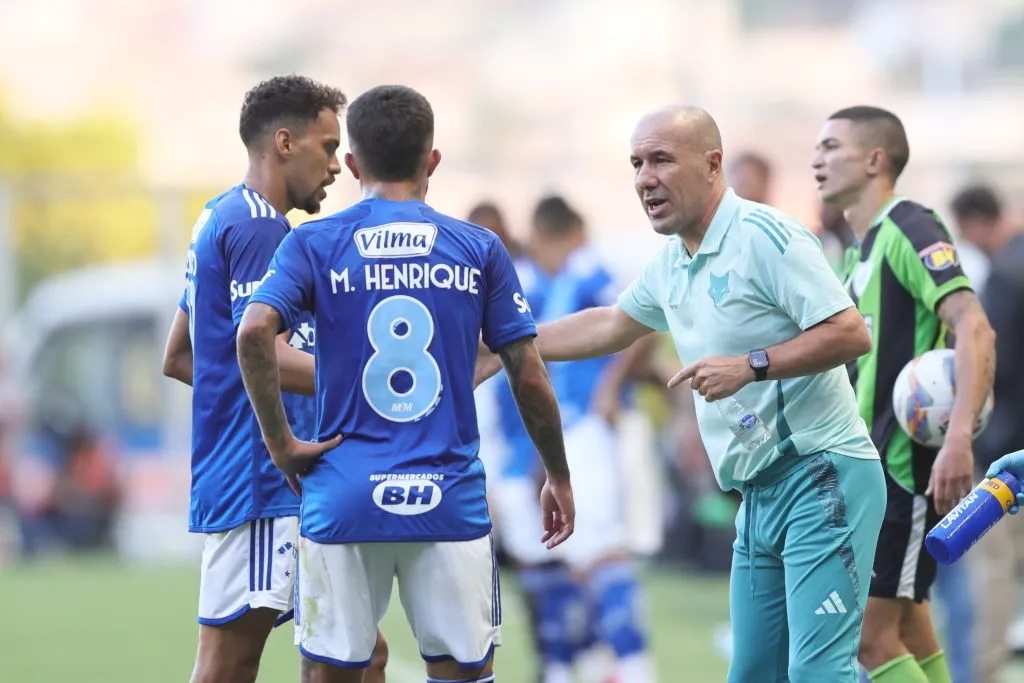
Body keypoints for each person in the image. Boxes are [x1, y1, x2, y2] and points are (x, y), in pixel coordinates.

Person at [477, 104, 886, 683]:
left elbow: (850, 332)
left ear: (712, 164)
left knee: (819, 672)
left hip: (822, 476)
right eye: (637, 163)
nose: (645, 177)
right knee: (752, 673)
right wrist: (504, 344)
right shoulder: (673, 262)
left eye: (662, 159)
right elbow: (610, 325)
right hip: (758, 493)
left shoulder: (767, 236)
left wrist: (752, 365)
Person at [237, 84, 576, 683]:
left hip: (343, 493)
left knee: (329, 675)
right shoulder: (478, 248)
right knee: (464, 674)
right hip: (447, 499)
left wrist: (280, 443)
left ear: (352, 165)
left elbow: (253, 331)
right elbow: (528, 372)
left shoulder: (313, 243)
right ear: (432, 161)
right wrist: (558, 473)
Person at [160, 75, 387, 683]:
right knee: (229, 666)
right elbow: (261, 351)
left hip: (275, 478)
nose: (338, 166)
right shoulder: (261, 227)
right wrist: (372, 382)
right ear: (285, 142)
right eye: (328, 146)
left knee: (359, 654)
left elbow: (182, 356)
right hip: (264, 484)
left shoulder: (218, 216)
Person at [813, 105, 997, 683]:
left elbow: (974, 325)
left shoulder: (909, 225)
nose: (816, 159)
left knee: (870, 643)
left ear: (875, 159)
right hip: (871, 469)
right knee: (911, 630)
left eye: (830, 146)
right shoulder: (857, 251)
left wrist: (959, 438)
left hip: (904, 467)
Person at [951, 183, 1024, 682]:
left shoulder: (1005, 275)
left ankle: (984, 674)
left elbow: (993, 367)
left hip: (1006, 457)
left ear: (976, 221)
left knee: (992, 572)